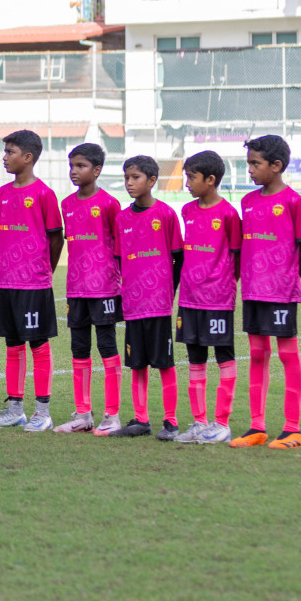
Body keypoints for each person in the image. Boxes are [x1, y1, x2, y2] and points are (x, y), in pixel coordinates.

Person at [231, 134, 301, 449]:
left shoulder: (294, 201)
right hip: (252, 291)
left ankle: (292, 428)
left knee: (288, 355)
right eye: (248, 162)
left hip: (281, 293)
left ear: (276, 166)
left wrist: (290, 277)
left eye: (255, 163)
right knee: (256, 354)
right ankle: (257, 427)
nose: (250, 169)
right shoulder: (248, 202)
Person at [0, 129, 63, 432]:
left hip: (35, 284)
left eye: (10, 152)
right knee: (13, 345)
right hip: (8, 284)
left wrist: (46, 270)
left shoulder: (44, 194)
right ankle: (15, 409)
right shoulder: (3, 194)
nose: (4, 158)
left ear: (27, 158)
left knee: (38, 345)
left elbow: (57, 238)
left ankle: (42, 411)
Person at [108, 155, 183, 439]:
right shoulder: (122, 218)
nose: (129, 183)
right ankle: (141, 420)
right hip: (133, 305)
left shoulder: (165, 214)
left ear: (152, 181)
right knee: (136, 363)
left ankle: (171, 421)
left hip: (159, 305)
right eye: (127, 177)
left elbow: (179, 257)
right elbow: (118, 261)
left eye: (136, 177)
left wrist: (168, 291)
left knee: (164, 363)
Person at [173, 150, 242, 444]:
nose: (186, 182)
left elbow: (238, 256)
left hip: (218, 300)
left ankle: (222, 423)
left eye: (191, 177)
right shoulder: (187, 211)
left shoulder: (229, 214)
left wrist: (223, 283)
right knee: (195, 359)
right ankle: (200, 423)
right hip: (189, 298)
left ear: (210, 180)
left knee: (223, 356)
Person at [57, 142, 123, 435]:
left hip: (105, 289)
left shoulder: (109, 204)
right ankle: (82, 414)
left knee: (107, 347)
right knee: (79, 348)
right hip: (76, 289)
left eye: (81, 166)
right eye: (72, 166)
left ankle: (113, 415)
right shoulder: (67, 204)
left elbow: (119, 247)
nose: (74, 171)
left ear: (97, 170)